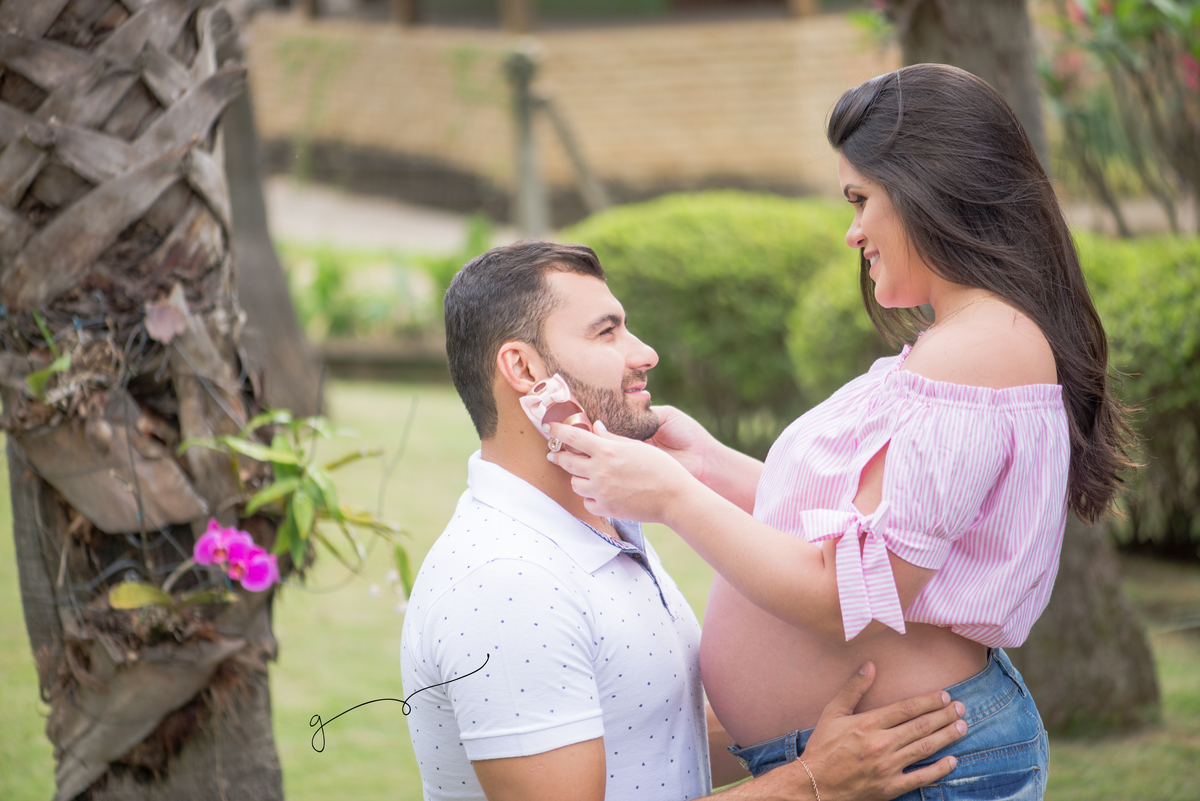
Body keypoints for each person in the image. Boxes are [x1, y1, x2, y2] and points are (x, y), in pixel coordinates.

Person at [547, 64, 1134, 800]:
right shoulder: (964, 342)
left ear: (929, 186)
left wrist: (672, 498)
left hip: (922, 770)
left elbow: (849, 597)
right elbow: (855, 534)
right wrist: (705, 464)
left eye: (861, 198)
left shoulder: (984, 346)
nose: (853, 230)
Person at [400, 240, 970, 801]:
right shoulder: (507, 579)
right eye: (607, 332)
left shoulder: (594, 527)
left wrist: (829, 725)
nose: (644, 352)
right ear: (524, 369)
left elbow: (653, 733)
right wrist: (812, 783)